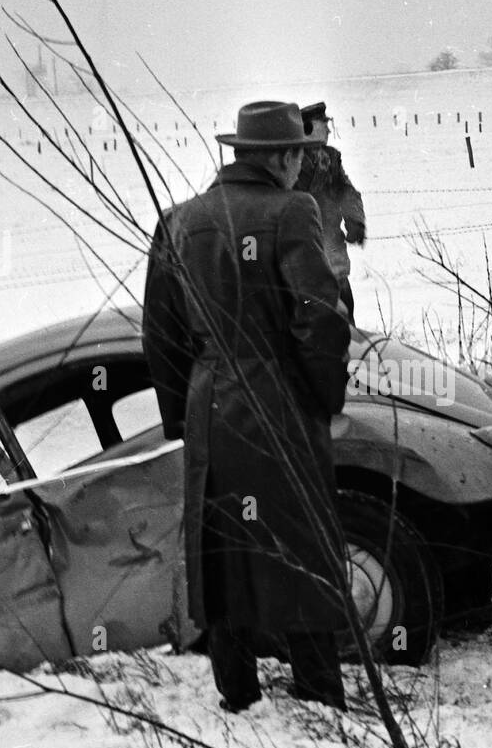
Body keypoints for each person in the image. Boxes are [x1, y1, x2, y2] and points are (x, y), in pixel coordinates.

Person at [142, 100, 352, 711]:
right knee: (302, 540)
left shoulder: (178, 221)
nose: (300, 168)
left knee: (223, 546)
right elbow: (320, 315)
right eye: (298, 157)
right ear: (284, 157)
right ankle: (317, 691)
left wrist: (183, 416)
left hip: (212, 405)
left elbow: (160, 334)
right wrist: (323, 398)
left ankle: (237, 691)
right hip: (280, 402)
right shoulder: (293, 210)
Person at [296, 102, 367, 323]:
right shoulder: (290, 161)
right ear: (307, 128)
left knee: (347, 324)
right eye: (323, 124)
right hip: (301, 263)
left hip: (334, 260)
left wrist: (355, 219)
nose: (328, 129)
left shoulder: (331, 158)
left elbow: (346, 191)